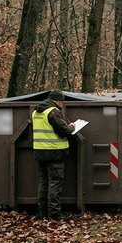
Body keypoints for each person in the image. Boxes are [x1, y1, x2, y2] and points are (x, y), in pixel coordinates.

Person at [32, 89, 75, 221]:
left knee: (43, 182)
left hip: (40, 152)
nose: (62, 103)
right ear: (57, 100)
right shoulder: (53, 112)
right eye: (62, 101)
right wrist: (72, 126)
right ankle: (54, 213)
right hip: (54, 152)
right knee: (55, 183)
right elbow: (64, 130)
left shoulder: (36, 112)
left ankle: (42, 212)